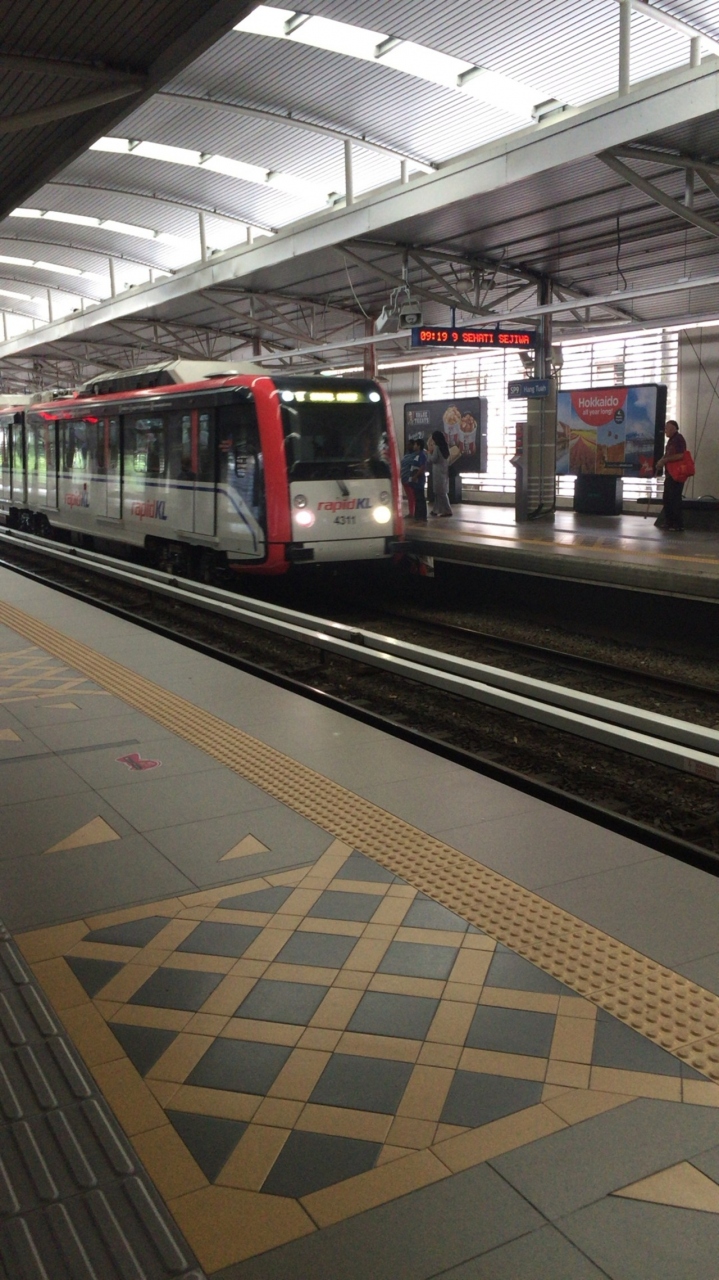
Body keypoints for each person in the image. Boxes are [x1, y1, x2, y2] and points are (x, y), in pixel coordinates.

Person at [655, 419, 687, 532]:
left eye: (667, 428)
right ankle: (669, 522)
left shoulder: (679, 439)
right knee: (667, 499)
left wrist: (665, 460)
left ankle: (678, 524)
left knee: (674, 499)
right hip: (669, 474)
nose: (665, 430)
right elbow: (667, 454)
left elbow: (681, 455)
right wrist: (661, 461)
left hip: (677, 474)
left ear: (673, 429)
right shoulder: (670, 441)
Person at [429, 429, 452, 516]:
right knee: (440, 492)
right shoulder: (446, 447)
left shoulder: (437, 447)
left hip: (437, 472)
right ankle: (436, 510)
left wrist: (429, 454)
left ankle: (447, 510)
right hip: (444, 471)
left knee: (440, 493)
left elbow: (433, 459)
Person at [409, 436, 428, 522]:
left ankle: (422, 516)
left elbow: (422, 467)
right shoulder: (416, 455)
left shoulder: (422, 455)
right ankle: (417, 515)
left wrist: (416, 476)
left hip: (419, 481)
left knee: (420, 498)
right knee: (417, 498)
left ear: (419, 446)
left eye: (415, 444)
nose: (414, 446)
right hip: (415, 481)